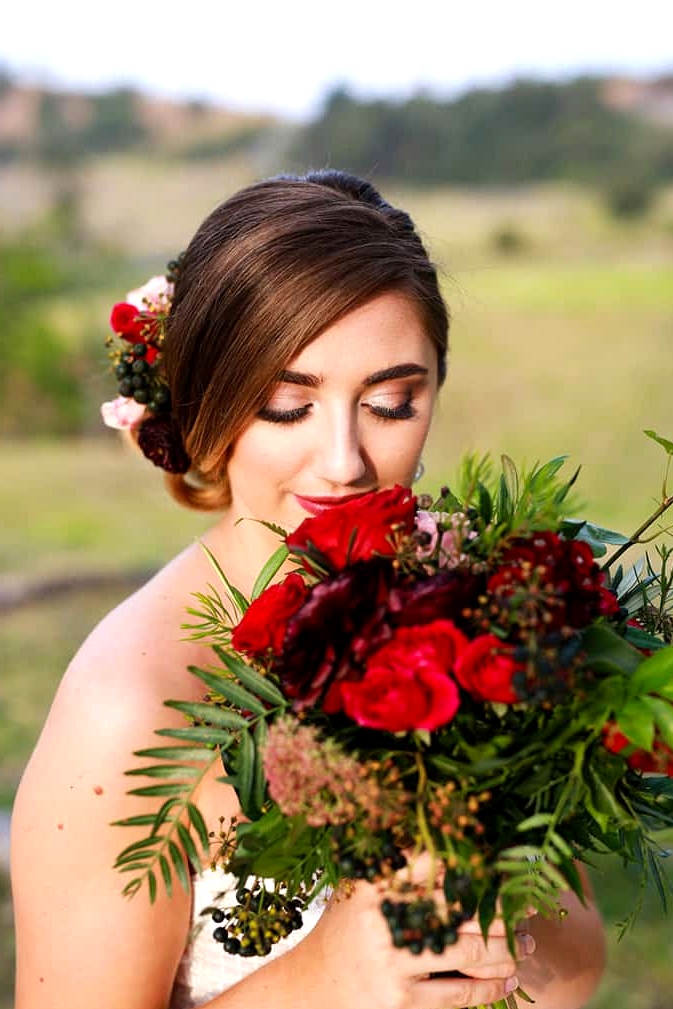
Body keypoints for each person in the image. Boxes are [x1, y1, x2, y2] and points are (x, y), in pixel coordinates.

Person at [11, 170, 606, 1009]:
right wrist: (328, 978)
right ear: (206, 403)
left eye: (391, 402)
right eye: (287, 406)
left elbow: (574, 961)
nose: (343, 461)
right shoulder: (131, 708)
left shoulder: (470, 611)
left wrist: (491, 925)